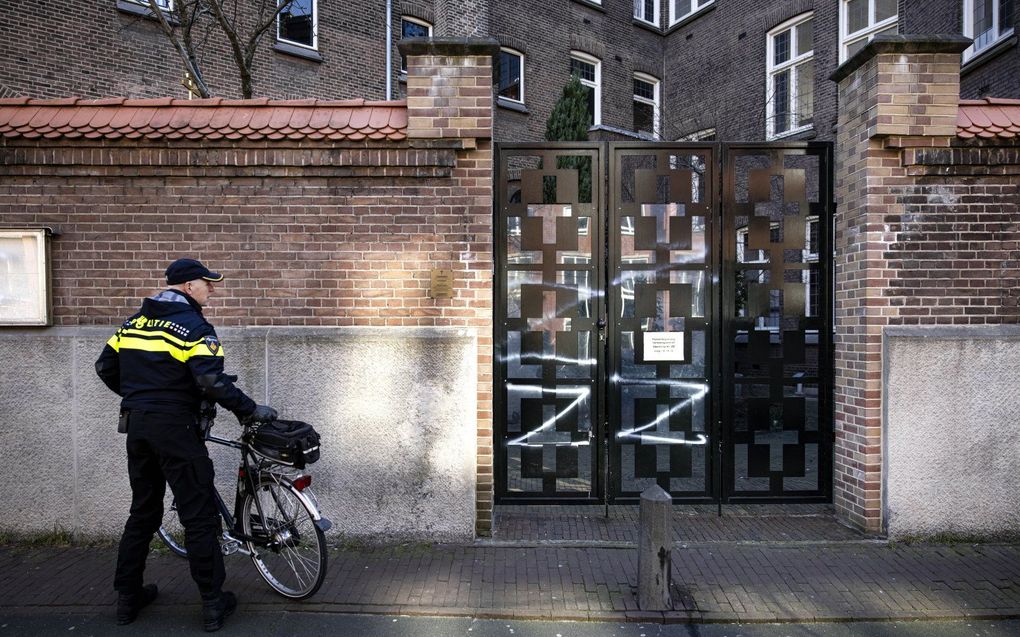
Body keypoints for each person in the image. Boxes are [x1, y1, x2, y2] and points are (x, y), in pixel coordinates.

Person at [95, 258, 277, 632]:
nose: (211, 289)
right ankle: (213, 604)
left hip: (139, 428)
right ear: (188, 285)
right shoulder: (193, 326)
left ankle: (127, 599)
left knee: (143, 512)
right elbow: (211, 381)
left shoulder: (134, 322)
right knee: (198, 515)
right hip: (177, 428)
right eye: (207, 284)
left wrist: (139, 399)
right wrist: (248, 410)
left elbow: (105, 367)